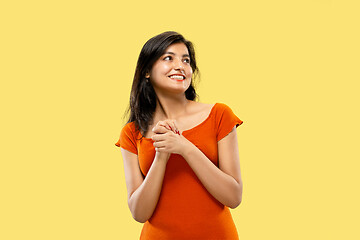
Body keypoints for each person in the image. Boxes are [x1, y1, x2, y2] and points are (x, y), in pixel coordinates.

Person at [115, 31, 244, 239]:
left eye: (186, 60)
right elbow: (139, 213)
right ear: (147, 71)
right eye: (168, 58)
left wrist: (184, 147)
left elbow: (234, 196)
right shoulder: (131, 132)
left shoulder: (219, 115)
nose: (180, 66)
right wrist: (161, 155)